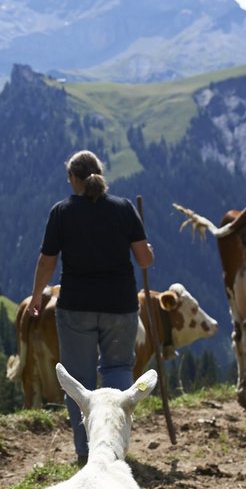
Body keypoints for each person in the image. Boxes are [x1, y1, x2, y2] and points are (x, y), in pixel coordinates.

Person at [30, 150, 154, 465]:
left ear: (72, 178)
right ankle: (115, 448)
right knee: (118, 370)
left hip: (76, 307)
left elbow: (47, 261)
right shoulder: (124, 209)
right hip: (120, 306)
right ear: (100, 173)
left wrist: (35, 296)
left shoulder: (62, 212)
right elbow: (144, 260)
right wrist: (147, 250)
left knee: (79, 381)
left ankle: (86, 451)